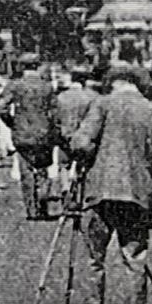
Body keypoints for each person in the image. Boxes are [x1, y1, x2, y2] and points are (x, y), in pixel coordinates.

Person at [68, 62, 152, 304]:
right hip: (138, 195)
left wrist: (89, 154)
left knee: (94, 261)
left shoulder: (103, 105)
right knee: (135, 261)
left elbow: (80, 143)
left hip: (100, 192)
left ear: (113, 82)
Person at [0, 57, 60, 220]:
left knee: (26, 171)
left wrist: (12, 123)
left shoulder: (15, 85)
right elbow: (55, 112)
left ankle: (31, 209)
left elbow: (1, 108)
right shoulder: (46, 87)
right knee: (43, 168)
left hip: (22, 133)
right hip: (43, 133)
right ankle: (43, 199)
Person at [52, 65, 101, 208]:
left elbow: (55, 118)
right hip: (85, 138)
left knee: (64, 165)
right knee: (86, 165)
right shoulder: (93, 97)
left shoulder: (61, 97)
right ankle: (82, 192)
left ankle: (65, 188)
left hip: (65, 136)